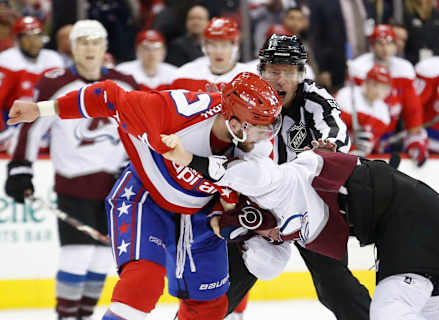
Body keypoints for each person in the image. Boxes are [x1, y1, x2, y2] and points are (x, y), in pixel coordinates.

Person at [6, 71, 283, 320]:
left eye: (268, 127)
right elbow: (108, 96)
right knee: (141, 287)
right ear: (232, 119)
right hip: (146, 196)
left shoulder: (255, 152)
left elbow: (237, 194)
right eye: (257, 126)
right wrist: (40, 109)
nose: (264, 135)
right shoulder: (170, 113)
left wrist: (231, 216)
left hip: (200, 210)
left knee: (209, 307)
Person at [159, 134, 439, 320]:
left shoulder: (274, 184)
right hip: (413, 216)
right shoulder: (287, 227)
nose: (275, 236)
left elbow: (230, 173)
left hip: (410, 213)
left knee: (389, 310)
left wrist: (186, 157)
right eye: (276, 239)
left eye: (266, 235)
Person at [226, 34, 372, 320]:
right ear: (262, 71)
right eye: (273, 71)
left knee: (335, 288)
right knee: (223, 288)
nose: (281, 79)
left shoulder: (315, 99)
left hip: (308, 208)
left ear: (302, 73)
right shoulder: (244, 99)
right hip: (259, 209)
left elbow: (334, 127)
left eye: (289, 71)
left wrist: (329, 146)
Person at [4, 19, 138, 320]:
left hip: (117, 190)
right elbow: (33, 127)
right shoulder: (55, 82)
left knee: (102, 260)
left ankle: (83, 316)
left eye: (95, 42)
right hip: (73, 186)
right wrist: (20, 168)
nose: (89, 49)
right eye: (83, 42)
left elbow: (141, 131)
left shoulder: (125, 83)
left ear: (105, 46)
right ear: (72, 48)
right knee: (76, 258)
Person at [349, 24, 428, 165]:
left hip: (390, 138)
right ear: (372, 45)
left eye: (390, 43)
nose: (385, 48)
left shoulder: (404, 69)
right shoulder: (359, 68)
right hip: (363, 136)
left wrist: (415, 139)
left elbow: (413, 111)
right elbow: (354, 110)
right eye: (380, 43)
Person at [0, 16, 63, 148]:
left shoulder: (53, 59)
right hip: (14, 125)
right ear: (18, 40)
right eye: (27, 37)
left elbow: (62, 98)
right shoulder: (7, 60)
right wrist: (3, 131)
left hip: (47, 124)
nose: (34, 42)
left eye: (37, 36)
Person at [171, 17, 251, 92]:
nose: (218, 51)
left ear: (235, 46)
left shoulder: (249, 77)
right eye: (213, 45)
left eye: (224, 45)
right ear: (205, 46)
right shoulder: (185, 74)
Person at [336, 64, 393, 156]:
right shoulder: (346, 94)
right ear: (366, 82)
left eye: (383, 87)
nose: (378, 91)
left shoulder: (383, 111)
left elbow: (373, 140)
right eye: (375, 84)